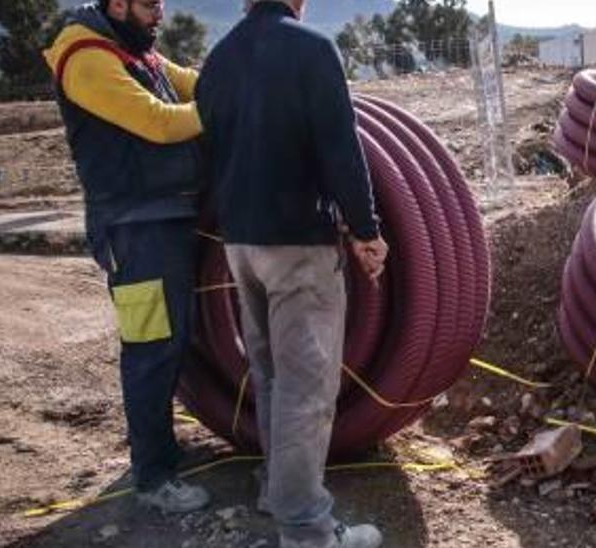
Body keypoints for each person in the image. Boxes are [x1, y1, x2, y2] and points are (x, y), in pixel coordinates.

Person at [195, 0, 388, 547]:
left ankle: (275, 488)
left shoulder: (220, 58)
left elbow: (210, 150)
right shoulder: (311, 48)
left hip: (241, 245)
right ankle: (307, 529)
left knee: (272, 374)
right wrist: (365, 231)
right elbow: (339, 147)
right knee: (307, 386)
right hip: (298, 245)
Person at [42, 0, 210, 514]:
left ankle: (160, 453)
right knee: (151, 348)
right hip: (132, 228)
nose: (159, 13)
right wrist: (231, 107)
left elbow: (193, 83)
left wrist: (247, 77)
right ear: (118, 4)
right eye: (149, 5)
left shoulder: (139, 53)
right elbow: (158, 123)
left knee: (176, 338)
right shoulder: (87, 57)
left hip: (165, 218)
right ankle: (154, 478)